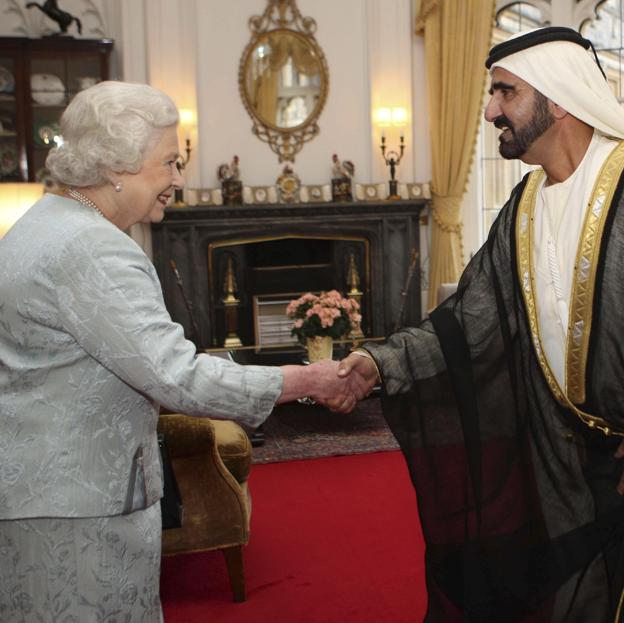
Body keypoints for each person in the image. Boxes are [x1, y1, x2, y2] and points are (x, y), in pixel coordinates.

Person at [0, 81, 366, 623]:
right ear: (116, 166)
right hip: (81, 507)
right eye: (169, 162)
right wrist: (308, 379)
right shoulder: (93, 248)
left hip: (37, 494)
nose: (178, 178)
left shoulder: (40, 224)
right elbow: (178, 377)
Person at [339, 26, 624, 622]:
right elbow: (467, 322)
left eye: (505, 92)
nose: (491, 110)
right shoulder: (522, 208)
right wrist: (378, 362)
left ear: (559, 96)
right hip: (561, 461)